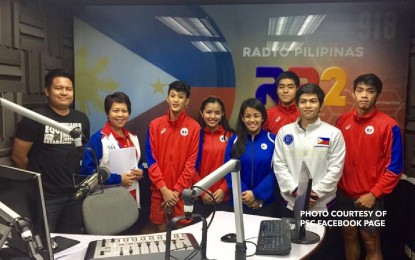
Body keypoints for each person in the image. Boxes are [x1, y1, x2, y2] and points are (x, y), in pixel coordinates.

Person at [11, 69, 90, 233]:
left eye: (68, 89)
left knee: (72, 239)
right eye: (58, 88)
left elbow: (81, 151)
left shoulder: (81, 118)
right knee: (45, 241)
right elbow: (19, 157)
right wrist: (35, 184)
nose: (64, 93)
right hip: (46, 196)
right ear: (47, 90)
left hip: (74, 194)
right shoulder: (34, 118)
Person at [336, 73, 403, 260]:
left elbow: (395, 167)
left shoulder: (389, 125)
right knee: (348, 236)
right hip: (344, 195)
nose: (364, 95)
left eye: (370, 91)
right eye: (360, 90)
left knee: (371, 242)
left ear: (378, 95)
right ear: (353, 93)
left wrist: (374, 193)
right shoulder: (342, 121)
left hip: (370, 197)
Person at [273, 83, 345, 216]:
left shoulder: (333, 133)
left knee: (322, 237)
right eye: (303, 101)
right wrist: (296, 191)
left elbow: (335, 169)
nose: (307, 105)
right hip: (290, 203)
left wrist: (315, 194)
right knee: (289, 237)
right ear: (297, 105)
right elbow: (279, 165)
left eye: (313, 101)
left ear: (321, 105)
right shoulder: (284, 132)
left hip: (322, 206)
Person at [81, 92, 144, 230]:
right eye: (115, 110)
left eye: (124, 110)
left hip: (132, 199)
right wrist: (118, 179)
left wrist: (141, 171)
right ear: (107, 113)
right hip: (108, 203)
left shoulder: (133, 137)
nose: (120, 115)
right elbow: (87, 173)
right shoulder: (97, 140)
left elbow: (138, 163)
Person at [145, 80, 200, 232]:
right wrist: (164, 190)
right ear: (167, 98)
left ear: (187, 101)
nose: (176, 100)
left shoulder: (194, 128)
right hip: (159, 192)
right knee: (161, 236)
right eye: (172, 95)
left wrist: (175, 192)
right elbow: (151, 161)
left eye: (180, 97)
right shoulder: (154, 125)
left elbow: (192, 164)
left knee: (181, 236)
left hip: (181, 194)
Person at [225, 98, 277, 217]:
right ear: (242, 118)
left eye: (256, 116)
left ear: (262, 118)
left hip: (266, 204)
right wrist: (245, 195)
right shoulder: (234, 140)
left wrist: (256, 194)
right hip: (239, 203)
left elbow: (275, 171)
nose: (252, 120)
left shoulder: (273, 140)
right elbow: (229, 171)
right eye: (248, 116)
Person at [193, 96, 234, 218]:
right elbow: (190, 166)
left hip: (223, 198)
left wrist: (223, 189)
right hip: (200, 198)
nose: (213, 116)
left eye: (217, 113)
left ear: (222, 114)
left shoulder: (231, 135)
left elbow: (235, 165)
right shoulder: (195, 136)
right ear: (202, 113)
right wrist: (201, 191)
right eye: (208, 112)